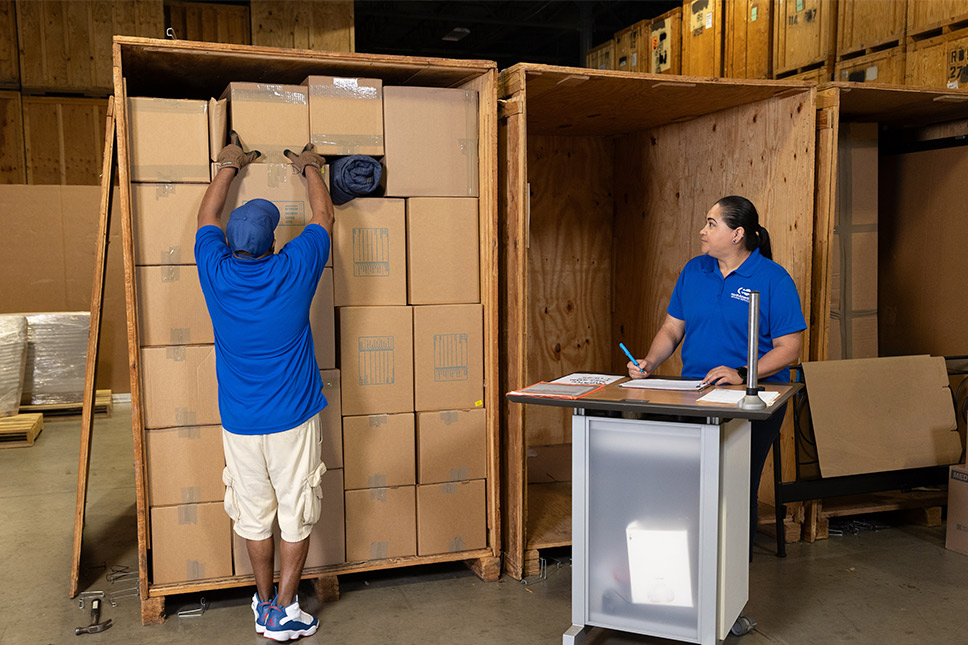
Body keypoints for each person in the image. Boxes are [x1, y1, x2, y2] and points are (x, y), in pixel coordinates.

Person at [194, 133, 334, 641]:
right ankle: (286, 605)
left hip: (239, 423)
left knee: (254, 514)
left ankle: (262, 605)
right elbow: (323, 220)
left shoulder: (214, 270)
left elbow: (205, 220)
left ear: (230, 243)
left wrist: (229, 166)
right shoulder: (293, 270)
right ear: (274, 244)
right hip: (293, 421)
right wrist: (310, 168)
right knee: (297, 511)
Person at [626, 195, 806, 560]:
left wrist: (742, 373)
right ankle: (686, 558)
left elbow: (790, 349)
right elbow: (672, 329)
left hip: (753, 396)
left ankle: (733, 568)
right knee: (677, 478)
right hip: (693, 392)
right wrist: (649, 361)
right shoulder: (695, 271)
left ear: (738, 233)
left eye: (712, 224)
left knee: (734, 482)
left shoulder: (773, 279)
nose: (702, 231)